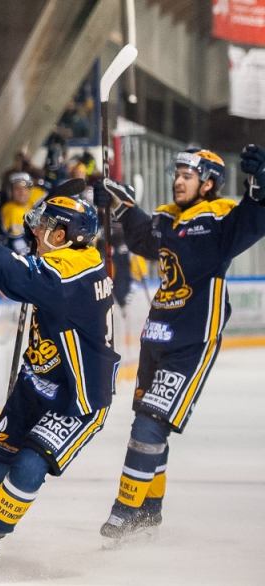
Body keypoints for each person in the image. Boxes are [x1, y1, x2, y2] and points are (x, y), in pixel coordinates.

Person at [0, 194, 119, 579]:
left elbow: (19, 278)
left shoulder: (74, 271)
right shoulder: (70, 256)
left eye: (45, 225)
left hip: (77, 396)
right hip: (36, 382)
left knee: (30, 465)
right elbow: (24, 280)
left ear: (62, 236)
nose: (35, 230)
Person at [93, 146, 265, 545]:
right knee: (149, 423)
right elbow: (143, 237)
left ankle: (125, 509)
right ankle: (149, 512)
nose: (178, 180)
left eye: (188, 175)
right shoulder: (168, 217)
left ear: (208, 183)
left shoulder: (220, 218)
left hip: (192, 340)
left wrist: (259, 185)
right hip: (157, 336)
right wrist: (119, 206)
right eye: (178, 173)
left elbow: (254, 217)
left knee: (149, 422)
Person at [0, 172, 34, 255]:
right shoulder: (12, 209)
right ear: (11, 192)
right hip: (15, 254)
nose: (22, 192)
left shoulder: (29, 205)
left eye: (25, 188)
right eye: (17, 188)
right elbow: (18, 244)